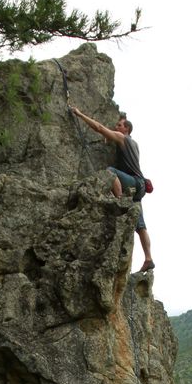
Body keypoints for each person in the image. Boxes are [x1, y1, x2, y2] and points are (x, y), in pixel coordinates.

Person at [69, 106, 155, 272]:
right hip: (140, 186)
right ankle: (148, 258)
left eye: (119, 125)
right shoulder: (134, 144)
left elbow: (100, 128)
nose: (116, 127)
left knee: (110, 172)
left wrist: (80, 114)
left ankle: (120, 201)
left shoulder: (122, 138)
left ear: (126, 129)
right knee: (140, 226)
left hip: (134, 183)